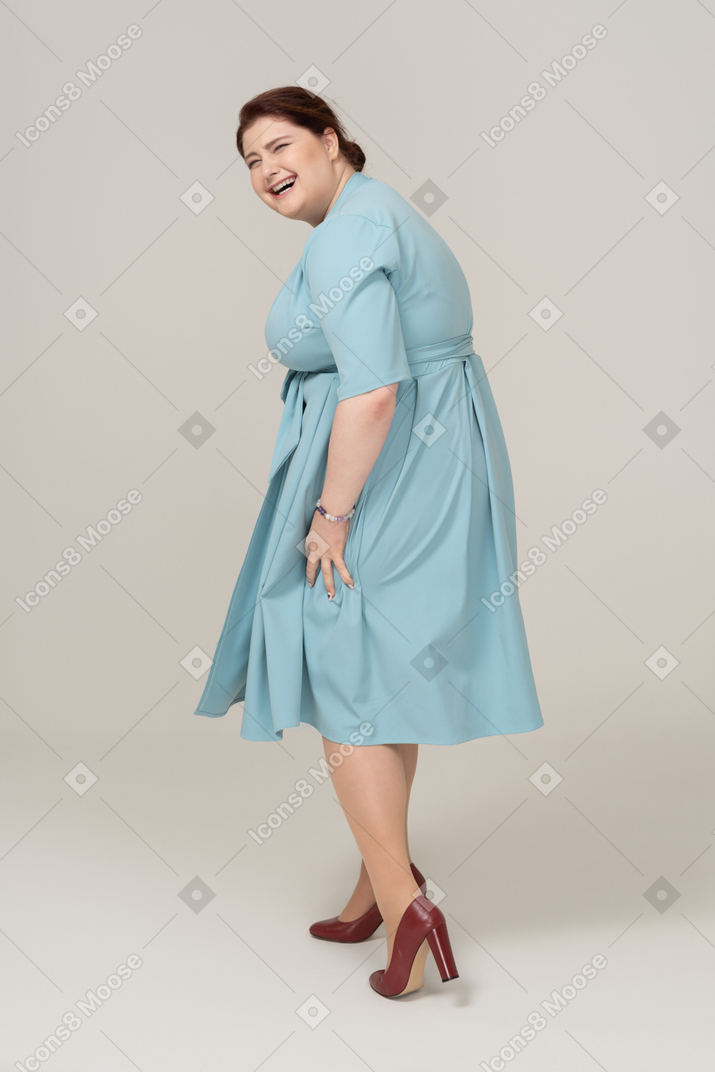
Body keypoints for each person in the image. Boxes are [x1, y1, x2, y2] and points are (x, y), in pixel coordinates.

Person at [193, 86, 544, 998]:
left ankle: (403, 901)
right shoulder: (373, 212)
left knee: (343, 667)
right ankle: (372, 883)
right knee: (383, 671)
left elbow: (375, 387)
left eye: (279, 145)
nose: (266, 169)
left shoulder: (350, 231)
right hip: (437, 450)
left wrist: (332, 514)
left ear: (330, 138)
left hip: (394, 464)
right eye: (249, 161)